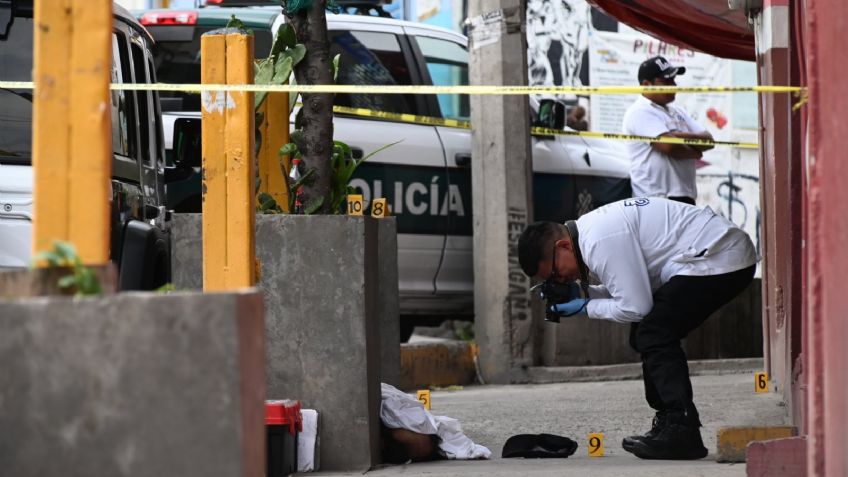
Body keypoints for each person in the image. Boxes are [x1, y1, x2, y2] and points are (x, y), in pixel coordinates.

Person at [517, 198, 757, 460]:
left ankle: (681, 428)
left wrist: (585, 307)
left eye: (555, 273)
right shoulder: (592, 234)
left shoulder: (598, 242)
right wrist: (582, 294)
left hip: (720, 256)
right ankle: (669, 421)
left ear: (563, 246)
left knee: (653, 331)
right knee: (645, 333)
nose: (560, 280)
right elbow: (629, 289)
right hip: (708, 256)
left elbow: (636, 306)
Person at [622, 56, 715, 205]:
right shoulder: (639, 111)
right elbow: (670, 147)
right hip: (656, 198)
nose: (674, 85)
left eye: (673, 80)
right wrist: (694, 151)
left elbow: (709, 141)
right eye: (667, 81)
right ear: (646, 84)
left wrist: (675, 135)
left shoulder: (678, 111)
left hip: (684, 197)